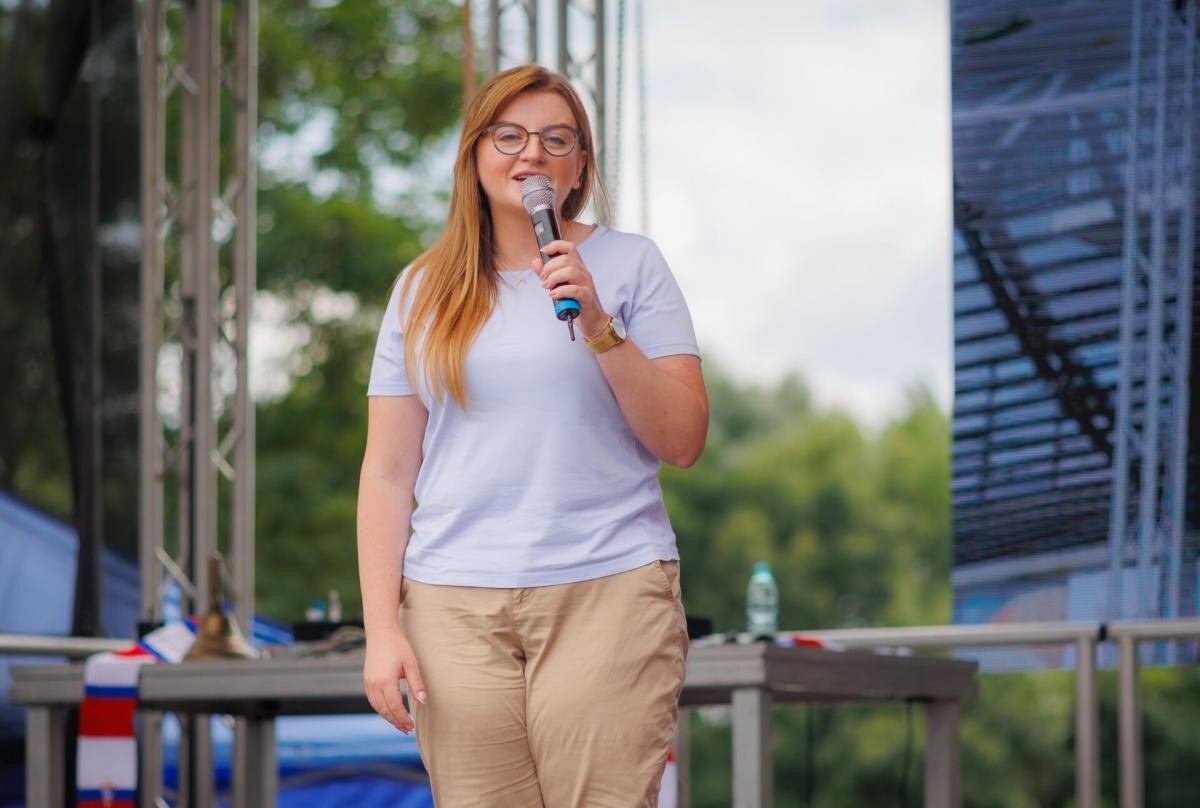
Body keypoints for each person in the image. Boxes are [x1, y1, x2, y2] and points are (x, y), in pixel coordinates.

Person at [356, 64, 708, 807]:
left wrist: (601, 325)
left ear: (580, 164)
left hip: (607, 583)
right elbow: (388, 472)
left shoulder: (629, 263)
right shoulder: (422, 289)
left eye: (556, 139)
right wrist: (381, 630)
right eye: (509, 136)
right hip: (452, 600)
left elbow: (682, 439)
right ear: (475, 154)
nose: (531, 156)